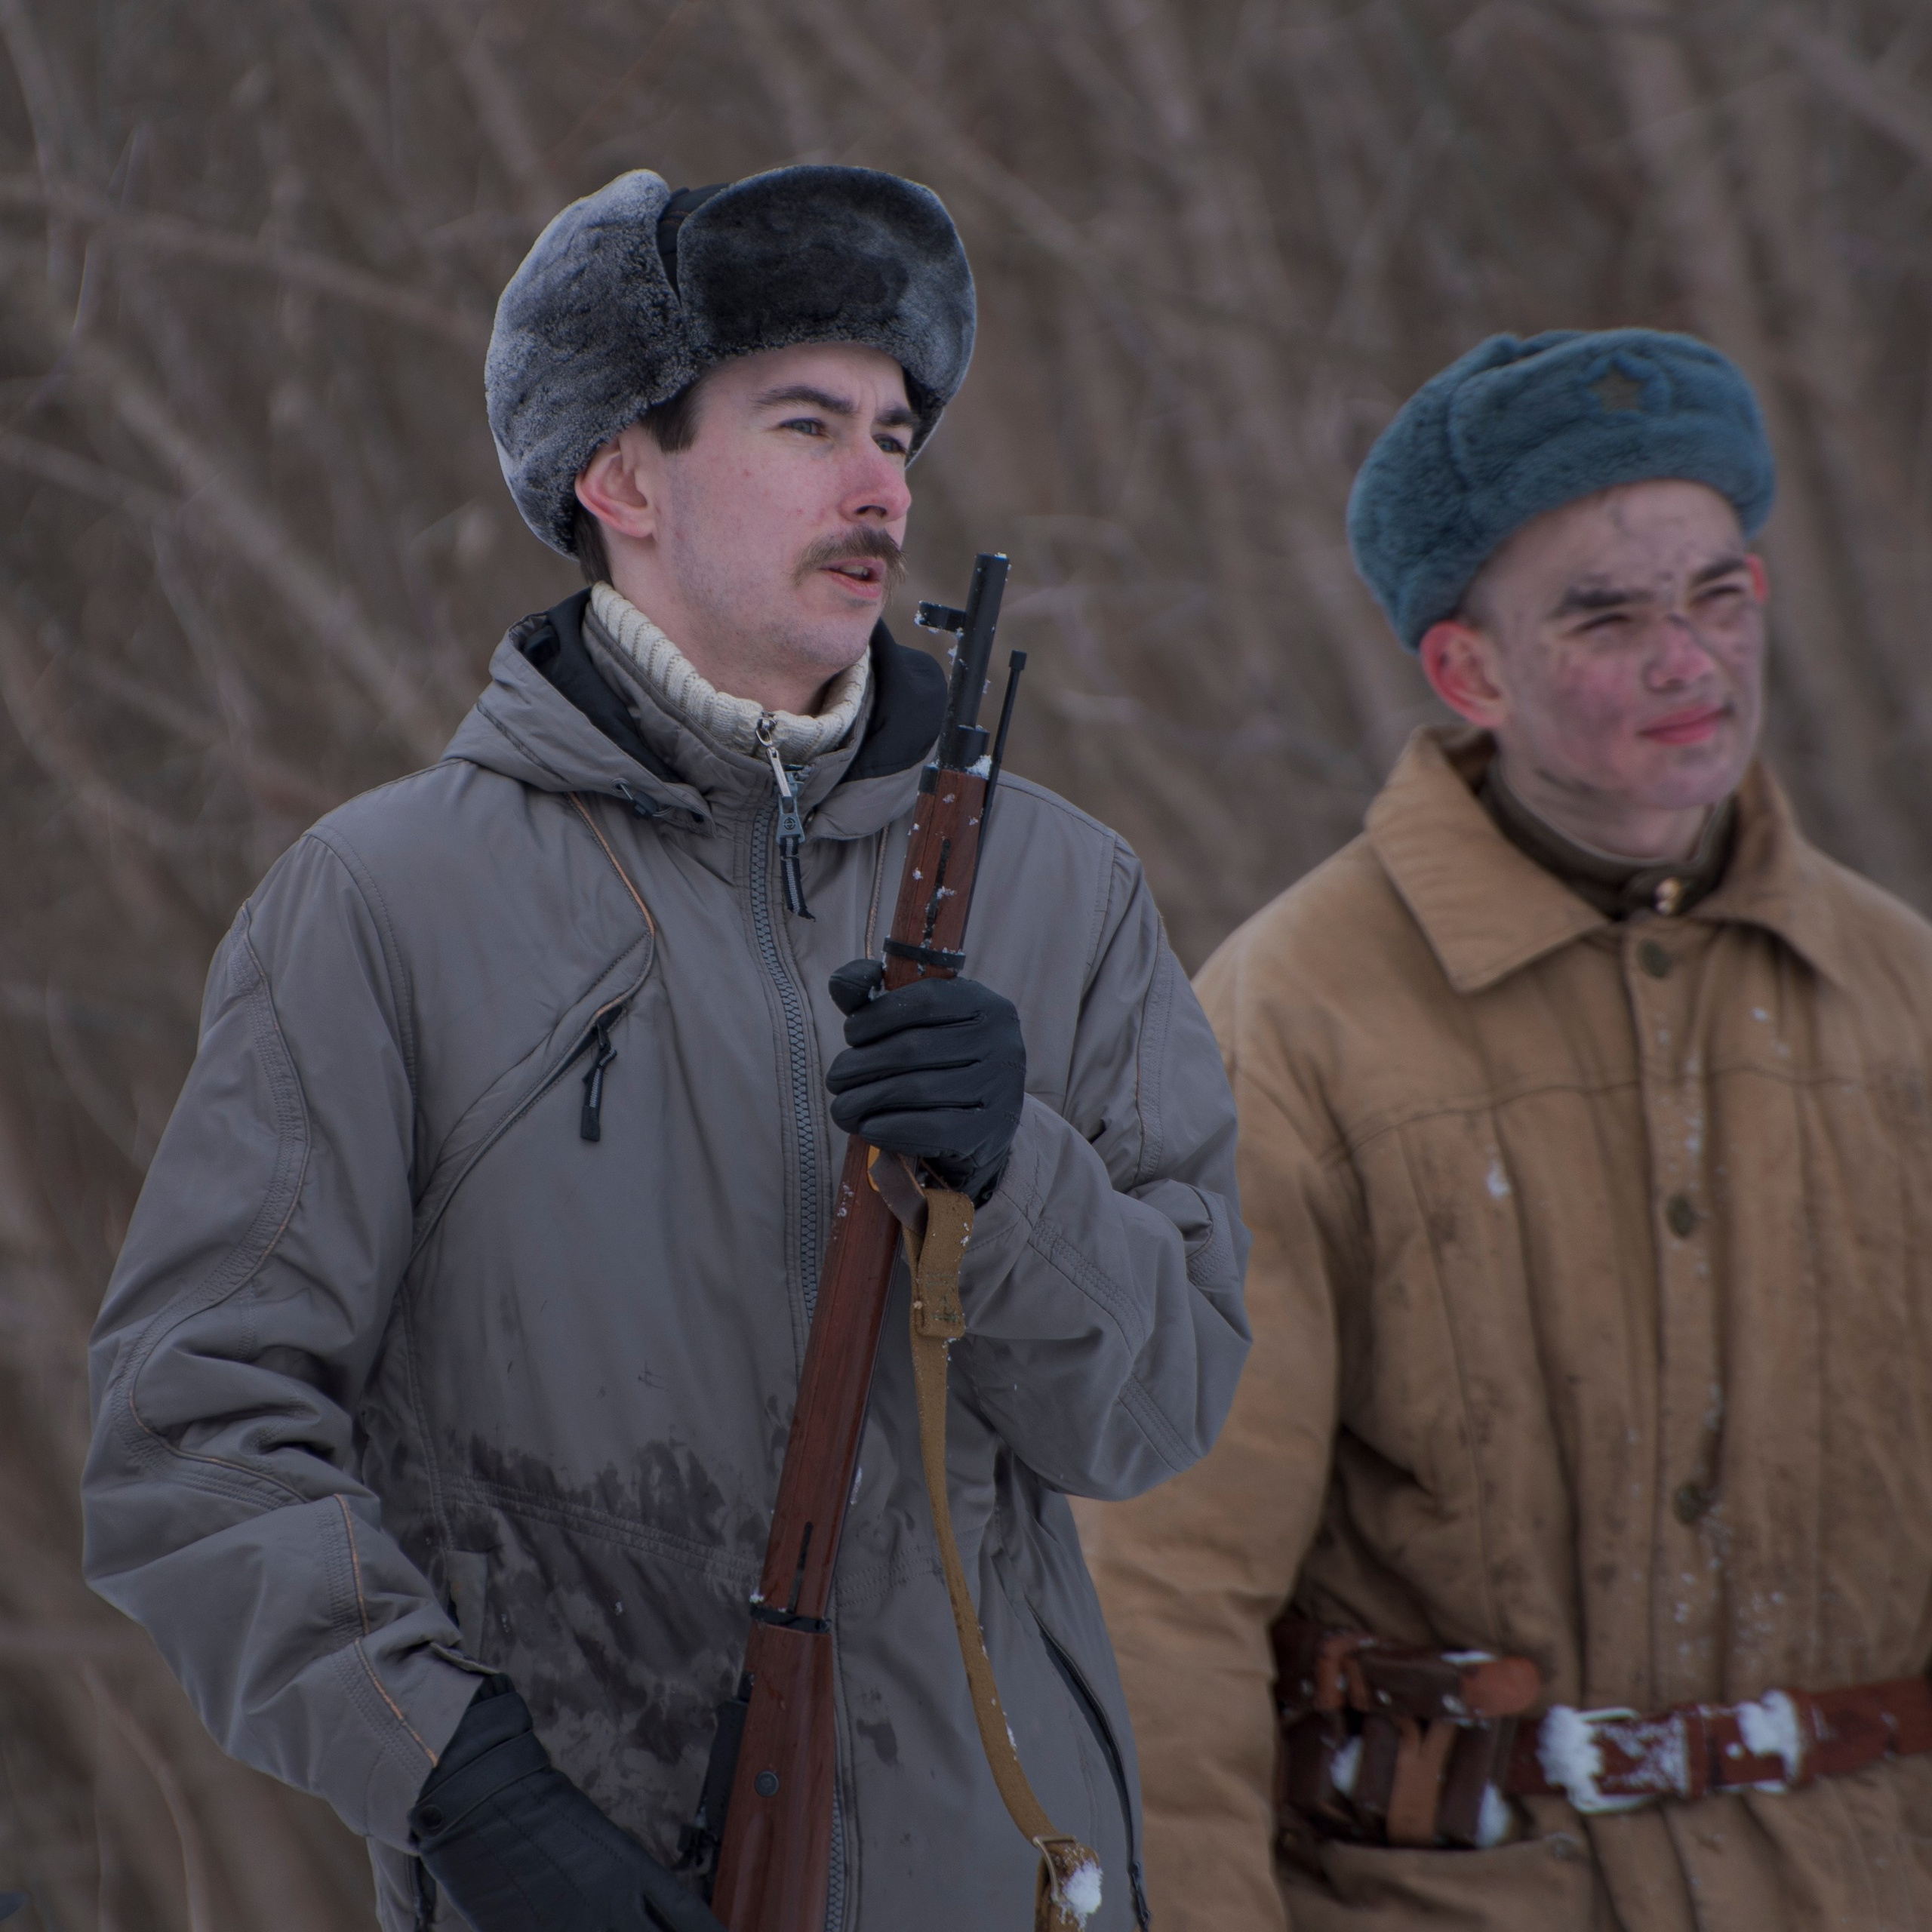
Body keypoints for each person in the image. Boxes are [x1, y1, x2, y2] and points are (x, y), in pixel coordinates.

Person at [82, 165, 1250, 1932]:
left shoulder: (1062, 889)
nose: (881, 485)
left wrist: (1016, 1183)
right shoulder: (380, 905)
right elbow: (192, 1435)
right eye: (806, 422)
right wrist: (463, 1792)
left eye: (894, 431)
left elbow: (1154, 1407)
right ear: (618, 475)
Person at [1082, 327, 1932, 1929]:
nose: (1689, 659)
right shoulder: (1286, 1022)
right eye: (1607, 615)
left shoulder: (1901, 1004)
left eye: (1716, 594)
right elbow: (1161, 1591)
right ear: (1466, 668)